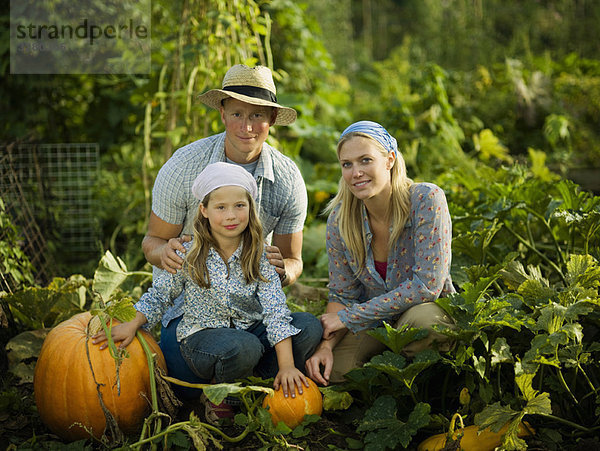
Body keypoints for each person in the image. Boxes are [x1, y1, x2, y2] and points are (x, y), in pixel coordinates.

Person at [93, 163, 322, 424]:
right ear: (204, 210)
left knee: (308, 326)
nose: (231, 215)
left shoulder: (261, 254)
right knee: (243, 346)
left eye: (239, 206)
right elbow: (160, 294)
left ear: (250, 208)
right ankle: (222, 395)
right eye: (220, 207)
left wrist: (287, 365)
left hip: (248, 329)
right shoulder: (188, 252)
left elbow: (275, 311)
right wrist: (132, 324)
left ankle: (266, 382)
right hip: (202, 339)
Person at [141, 64, 309, 400]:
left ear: (272, 119)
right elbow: (152, 243)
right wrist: (167, 253)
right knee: (241, 347)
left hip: (251, 310)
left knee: (309, 329)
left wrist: (282, 270)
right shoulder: (184, 166)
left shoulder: (288, 180)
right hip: (192, 316)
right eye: (237, 113)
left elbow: (294, 259)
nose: (247, 126)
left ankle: (255, 383)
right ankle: (218, 388)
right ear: (222, 113)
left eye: (258, 115)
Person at [306, 121, 455, 386]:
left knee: (425, 326)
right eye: (347, 164)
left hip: (424, 311)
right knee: (336, 372)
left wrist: (349, 318)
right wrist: (326, 347)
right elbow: (342, 294)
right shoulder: (341, 221)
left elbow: (427, 286)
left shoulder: (425, 199)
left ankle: (432, 388)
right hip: (375, 322)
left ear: (390, 160)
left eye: (365, 160)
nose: (356, 173)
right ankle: (384, 375)